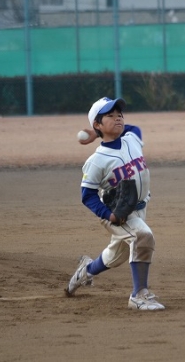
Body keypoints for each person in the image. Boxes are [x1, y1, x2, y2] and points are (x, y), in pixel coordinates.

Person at [65, 96, 165, 311]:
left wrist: (95, 132)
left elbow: (134, 126)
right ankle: (139, 295)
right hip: (116, 212)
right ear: (98, 123)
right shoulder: (96, 160)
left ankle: (86, 270)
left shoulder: (132, 137)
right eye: (110, 115)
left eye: (119, 114)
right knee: (142, 237)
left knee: (115, 256)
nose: (118, 118)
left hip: (140, 208)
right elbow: (88, 195)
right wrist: (107, 215)